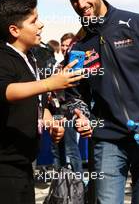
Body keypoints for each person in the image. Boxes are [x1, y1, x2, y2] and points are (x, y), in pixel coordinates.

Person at [60, 0, 139, 204]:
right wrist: (80, 115)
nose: (81, 4)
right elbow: (73, 95)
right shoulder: (77, 47)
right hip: (107, 141)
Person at [0, 0, 84, 204]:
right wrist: (50, 83)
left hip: (24, 163)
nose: (41, 24)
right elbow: (3, 91)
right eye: (33, 21)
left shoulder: (30, 57)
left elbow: (35, 102)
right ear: (14, 30)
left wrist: (50, 123)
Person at [51, 33, 83, 174]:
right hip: (56, 111)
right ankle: (60, 185)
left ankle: (77, 183)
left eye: (68, 45)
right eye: (63, 45)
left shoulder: (77, 66)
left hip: (70, 112)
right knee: (56, 149)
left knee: (70, 148)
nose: (65, 48)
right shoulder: (58, 64)